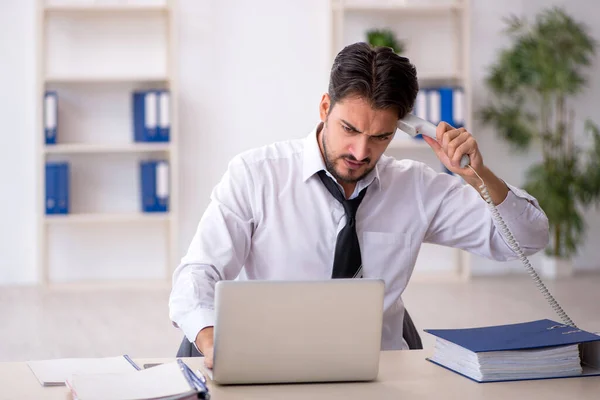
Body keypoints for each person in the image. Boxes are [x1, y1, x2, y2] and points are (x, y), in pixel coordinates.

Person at [168, 42, 550, 368]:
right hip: (274, 364)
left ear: (403, 127)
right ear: (324, 108)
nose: (361, 151)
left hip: (380, 372)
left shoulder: (414, 186)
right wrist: (211, 339)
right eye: (349, 129)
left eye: (380, 137)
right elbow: (198, 272)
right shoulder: (256, 175)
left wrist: (477, 176)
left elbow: (528, 238)